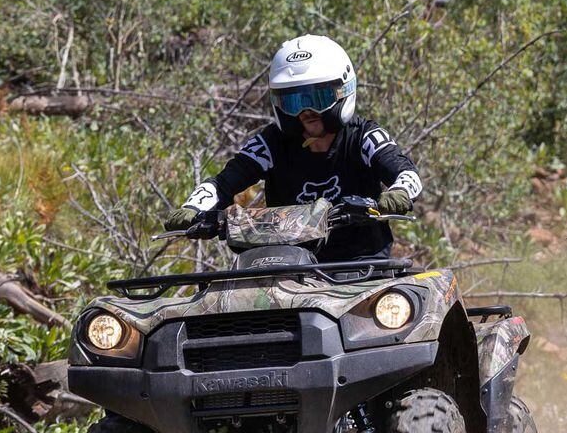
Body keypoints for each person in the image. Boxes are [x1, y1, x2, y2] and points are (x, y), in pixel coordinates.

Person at [163, 34, 423, 262]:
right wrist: (194, 209)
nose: (305, 112)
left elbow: (408, 175)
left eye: (316, 98)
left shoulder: (364, 136)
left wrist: (396, 195)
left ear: (344, 91)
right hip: (288, 267)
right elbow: (223, 183)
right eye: (292, 101)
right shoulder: (271, 143)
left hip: (362, 267)